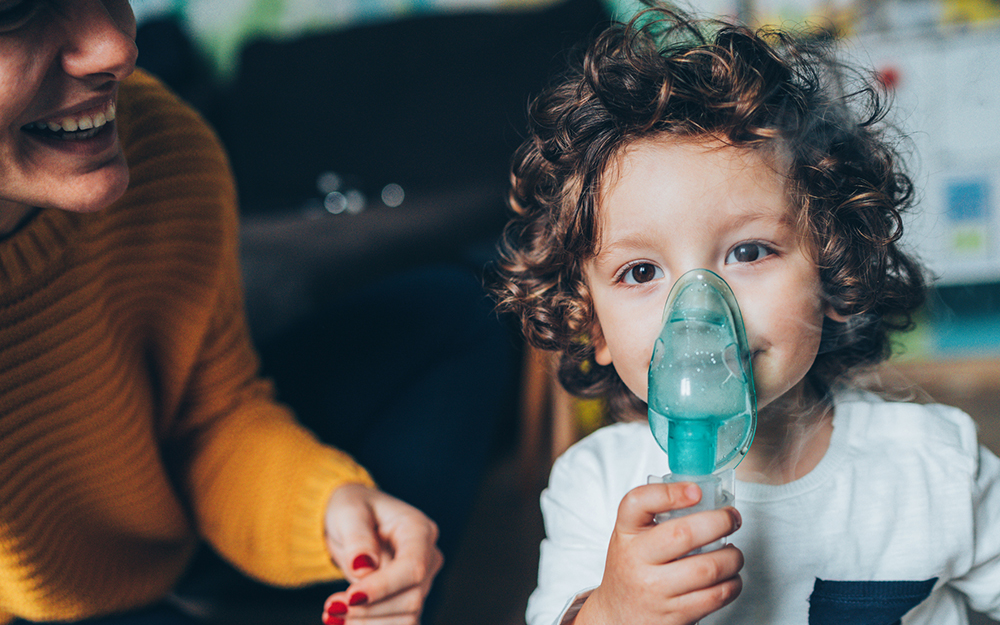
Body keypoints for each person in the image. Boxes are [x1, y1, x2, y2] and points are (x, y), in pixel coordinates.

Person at [491, 4, 1000, 625]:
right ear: (591, 323)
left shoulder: (935, 467)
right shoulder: (594, 488)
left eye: (748, 252)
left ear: (832, 268)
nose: (700, 313)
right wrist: (614, 611)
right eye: (642, 272)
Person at [0, 2, 442, 624]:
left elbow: (207, 414)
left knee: (448, 315)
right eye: (16, 11)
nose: (115, 49)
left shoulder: (155, 140)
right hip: (44, 607)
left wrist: (329, 506)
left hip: (162, 531)